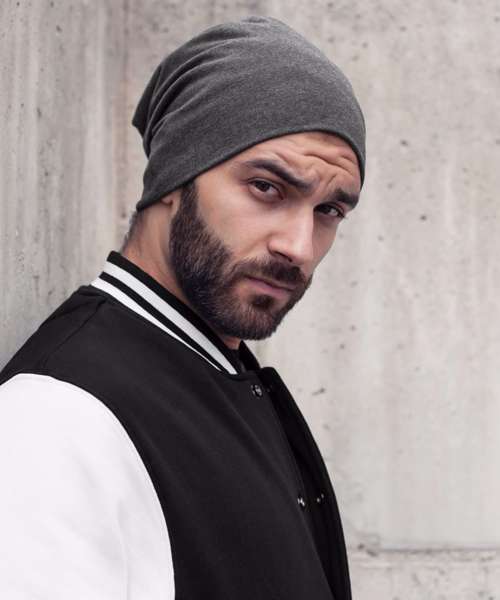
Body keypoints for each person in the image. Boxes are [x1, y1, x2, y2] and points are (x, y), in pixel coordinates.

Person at [0, 15, 365, 600]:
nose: (299, 247)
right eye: (267, 188)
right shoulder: (56, 416)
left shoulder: (222, 374)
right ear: (175, 175)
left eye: (329, 211)